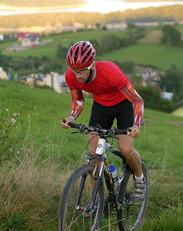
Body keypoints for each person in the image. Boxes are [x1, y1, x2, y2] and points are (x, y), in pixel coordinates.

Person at [61, 41, 145, 204]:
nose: (78, 76)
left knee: (126, 149)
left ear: (91, 65)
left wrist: (136, 125)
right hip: (101, 107)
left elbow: (137, 100)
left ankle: (140, 179)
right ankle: (97, 202)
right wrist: (72, 118)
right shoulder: (71, 76)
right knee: (93, 154)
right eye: (75, 71)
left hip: (123, 105)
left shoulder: (110, 72)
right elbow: (78, 99)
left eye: (83, 71)